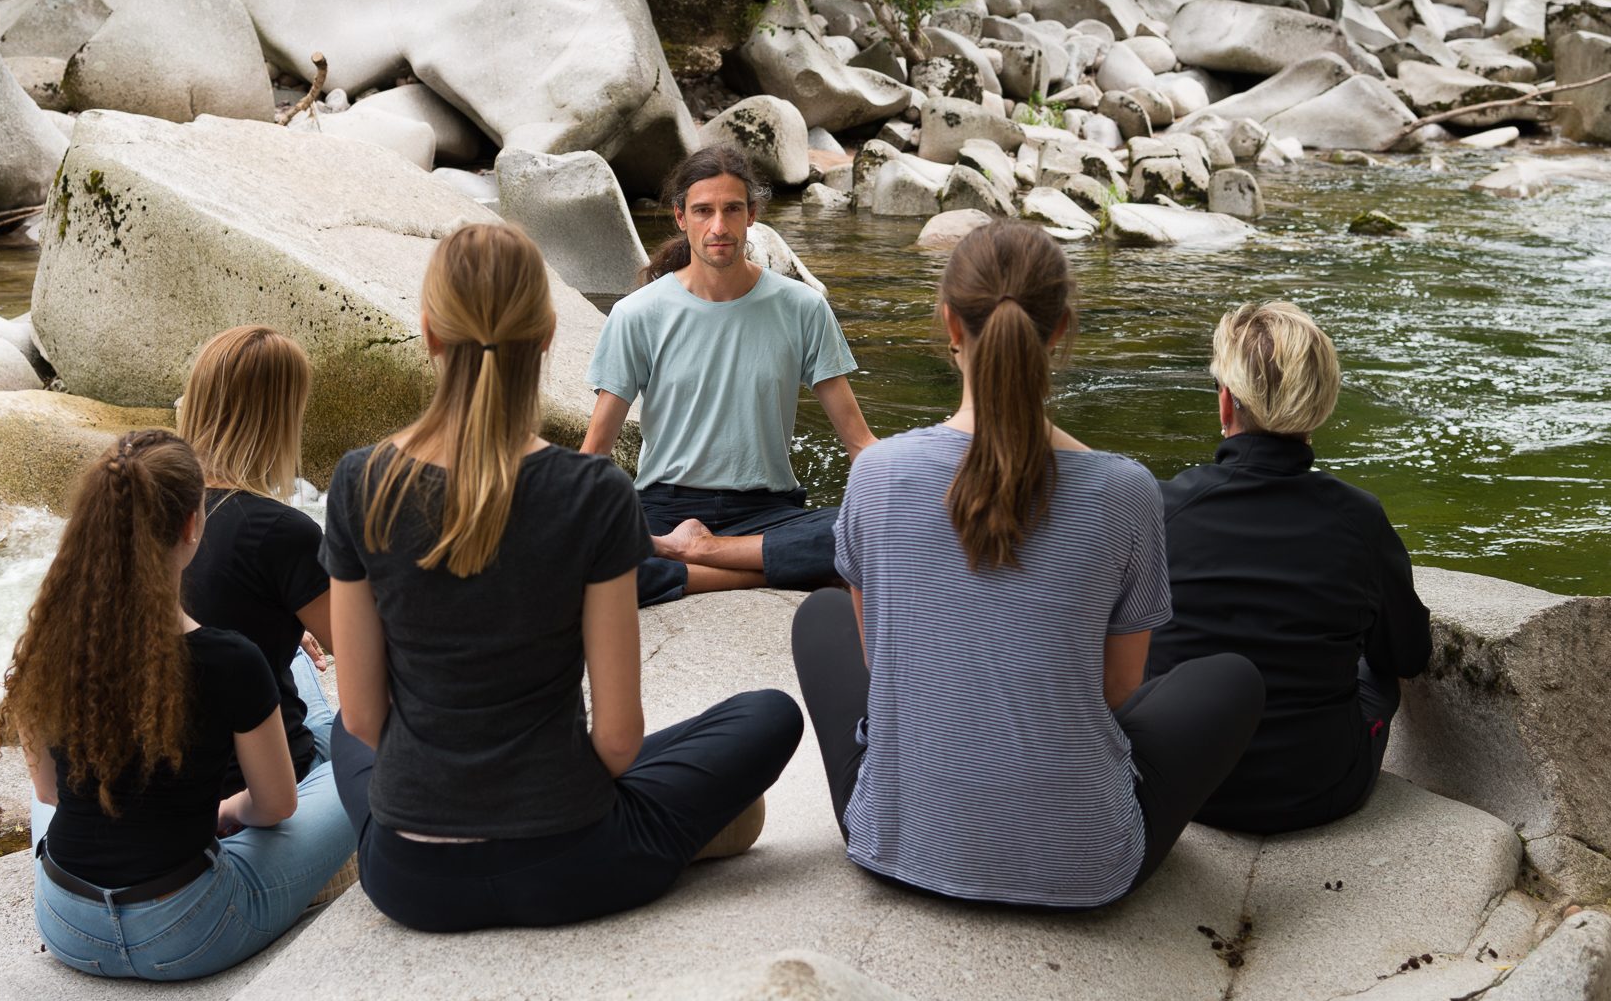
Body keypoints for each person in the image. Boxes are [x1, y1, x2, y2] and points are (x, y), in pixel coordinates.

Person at [322, 222, 803, 933]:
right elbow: (617, 741)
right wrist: (538, 794)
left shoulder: (359, 481)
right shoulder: (592, 491)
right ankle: (679, 829)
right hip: (570, 865)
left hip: (410, 880)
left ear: (428, 334)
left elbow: (364, 718)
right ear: (548, 335)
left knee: (338, 730)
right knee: (770, 715)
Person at [790, 220, 1265, 908]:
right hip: (1084, 866)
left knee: (821, 614)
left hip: (896, 846)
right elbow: (1118, 687)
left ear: (950, 323)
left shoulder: (878, 474)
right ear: (1062, 328)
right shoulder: (1126, 490)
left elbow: (879, 661)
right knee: (1232, 681)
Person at [0, 430, 355, 980]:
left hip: (66, 922)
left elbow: (47, 791)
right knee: (361, 766)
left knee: (58, 792)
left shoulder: (47, 646)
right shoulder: (229, 659)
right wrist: (224, 813)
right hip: (189, 929)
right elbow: (277, 806)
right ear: (193, 526)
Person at [1146, 301, 1431, 834]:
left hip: (1185, 786)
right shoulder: (1359, 519)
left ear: (1226, 403)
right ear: (1319, 407)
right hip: (1319, 789)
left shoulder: (1160, 506)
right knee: (1378, 672)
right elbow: (1408, 655)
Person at [579, 145, 877, 606]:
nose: (718, 227)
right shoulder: (636, 314)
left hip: (768, 513)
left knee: (863, 531)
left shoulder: (802, 309)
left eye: (731, 209)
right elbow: (595, 451)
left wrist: (915, 486)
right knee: (590, 558)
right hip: (664, 511)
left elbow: (859, 443)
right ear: (680, 217)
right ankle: (760, 571)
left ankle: (704, 554)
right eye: (703, 211)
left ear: (751, 214)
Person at [177, 325, 337, 792]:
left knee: (303, 658)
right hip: (256, 780)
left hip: (175, 760)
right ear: (281, 416)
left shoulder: (148, 503)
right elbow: (369, 656)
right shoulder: (282, 531)